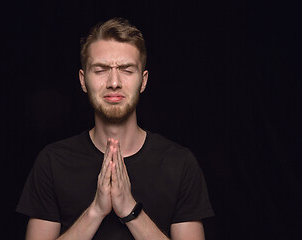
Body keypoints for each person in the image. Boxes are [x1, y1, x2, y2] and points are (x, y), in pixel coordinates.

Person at [16, 17, 214, 240]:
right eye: (100, 70)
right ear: (83, 80)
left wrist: (130, 210)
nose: (114, 82)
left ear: (143, 80)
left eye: (127, 70)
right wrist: (96, 211)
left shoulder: (180, 163)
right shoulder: (52, 161)